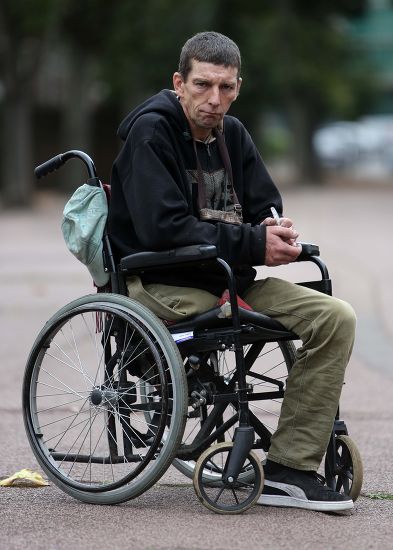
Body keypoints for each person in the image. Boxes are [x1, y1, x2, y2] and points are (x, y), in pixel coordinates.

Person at [108, 31, 356, 513]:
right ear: (179, 82)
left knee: (335, 318)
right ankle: (170, 377)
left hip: (227, 280)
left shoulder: (233, 134)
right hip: (160, 281)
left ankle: (290, 467)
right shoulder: (151, 134)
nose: (214, 100)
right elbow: (165, 229)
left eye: (225, 88)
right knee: (222, 316)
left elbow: (263, 199)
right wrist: (253, 243)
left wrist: (272, 226)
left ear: (238, 86)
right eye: (202, 85)